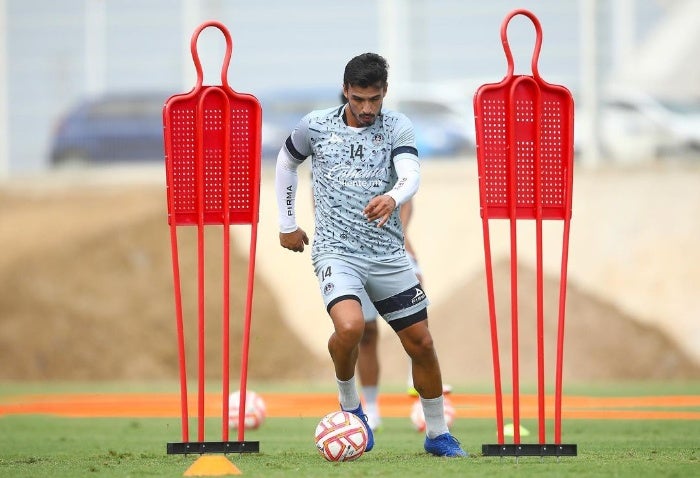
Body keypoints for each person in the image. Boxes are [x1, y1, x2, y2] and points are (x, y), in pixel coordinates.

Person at [275, 52, 467, 457]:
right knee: (349, 330)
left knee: (422, 342)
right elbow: (285, 163)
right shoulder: (316, 125)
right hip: (337, 252)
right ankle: (352, 411)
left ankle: (437, 435)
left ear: (384, 94)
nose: (367, 108)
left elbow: (411, 174)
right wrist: (287, 222)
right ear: (346, 91)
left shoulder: (397, 125)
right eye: (359, 98)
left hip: (387, 254)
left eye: (375, 99)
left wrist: (393, 197)